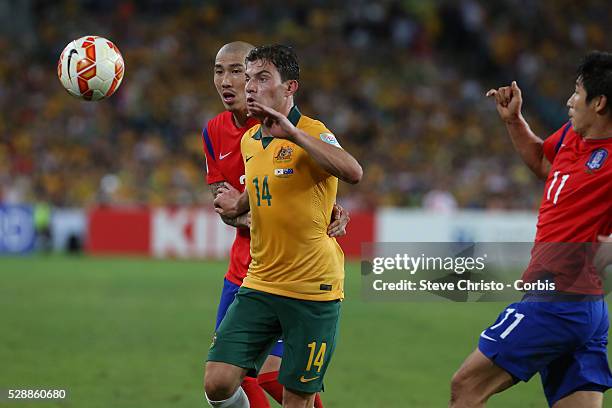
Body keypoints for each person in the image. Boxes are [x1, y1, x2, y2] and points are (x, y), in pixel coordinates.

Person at [450, 51, 612, 408]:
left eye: (577, 92)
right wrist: (514, 122)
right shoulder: (573, 133)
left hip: (559, 302)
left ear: (599, 103)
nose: (569, 101)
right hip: (583, 308)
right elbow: (543, 162)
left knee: (465, 387)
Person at [204, 44, 362, 408]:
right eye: (251, 79)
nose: (249, 87)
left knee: (295, 396)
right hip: (260, 282)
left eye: (261, 78)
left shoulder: (311, 130)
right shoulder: (249, 140)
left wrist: (293, 134)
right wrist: (238, 204)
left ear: (289, 87)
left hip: (311, 289)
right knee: (218, 381)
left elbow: (353, 171)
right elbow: (264, 189)